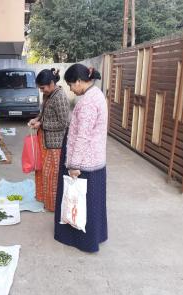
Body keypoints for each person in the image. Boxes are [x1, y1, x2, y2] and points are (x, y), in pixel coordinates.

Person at [54, 64, 107, 253]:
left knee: (79, 201)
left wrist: (74, 165)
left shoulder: (87, 103)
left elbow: (83, 136)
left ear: (79, 81)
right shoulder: (96, 95)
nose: (70, 89)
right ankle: (96, 235)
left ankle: (83, 240)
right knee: (93, 202)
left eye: (70, 85)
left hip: (84, 161)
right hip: (95, 160)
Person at [28, 69, 69, 212]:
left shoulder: (60, 97)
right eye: (40, 88)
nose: (41, 91)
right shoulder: (48, 95)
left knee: (52, 176)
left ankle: (53, 206)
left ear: (51, 83)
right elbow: (43, 113)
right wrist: (36, 119)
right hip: (45, 141)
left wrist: (42, 125)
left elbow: (64, 123)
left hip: (55, 145)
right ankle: (44, 199)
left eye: (42, 88)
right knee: (43, 173)